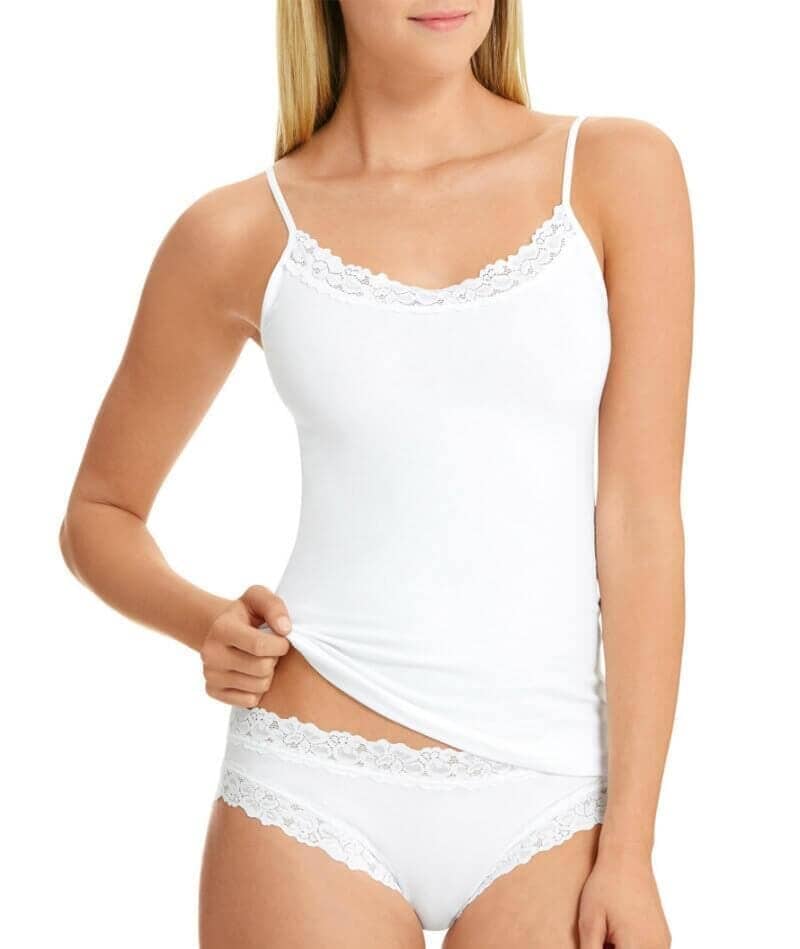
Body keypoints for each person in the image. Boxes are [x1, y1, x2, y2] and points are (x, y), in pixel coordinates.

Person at [59, 1, 693, 946]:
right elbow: (99, 511)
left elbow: (642, 519)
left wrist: (632, 848)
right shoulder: (239, 230)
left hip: (556, 795)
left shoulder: (616, 172)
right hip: (308, 789)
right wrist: (205, 623)